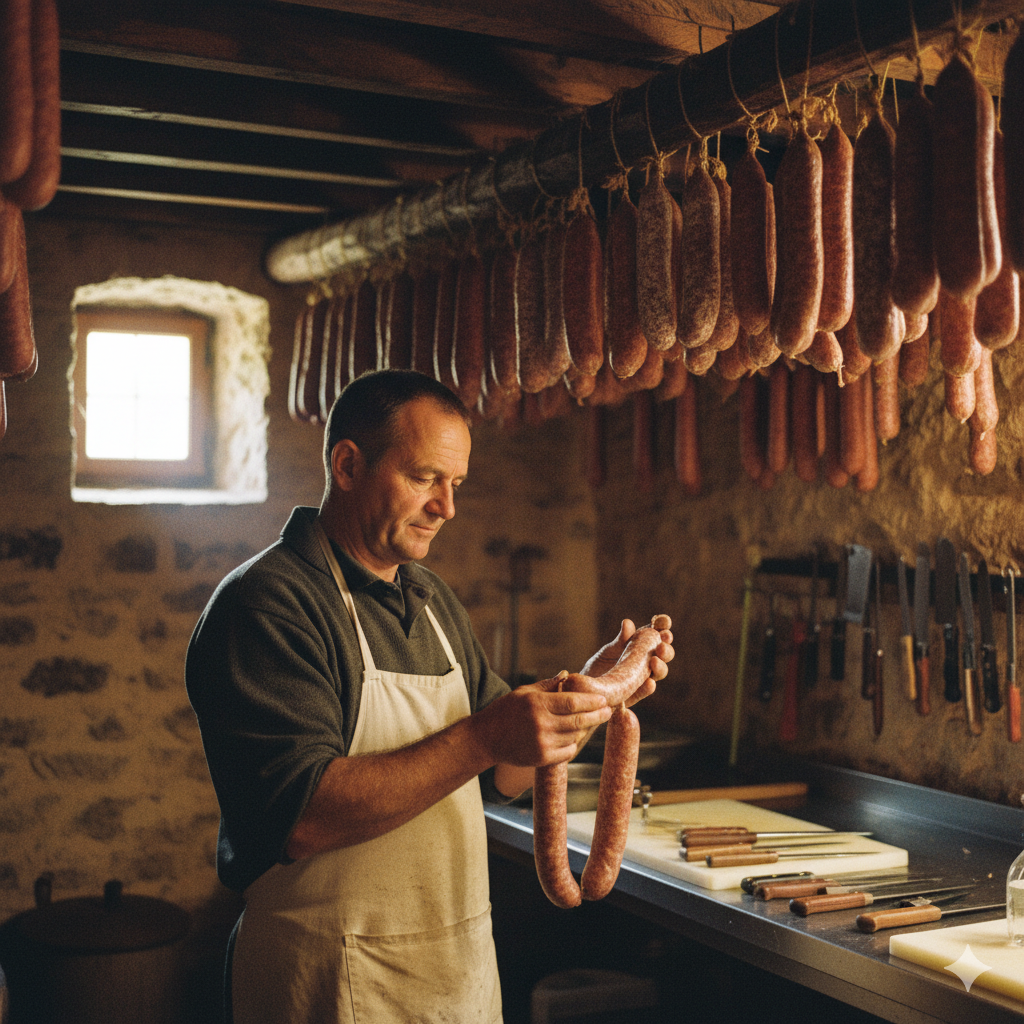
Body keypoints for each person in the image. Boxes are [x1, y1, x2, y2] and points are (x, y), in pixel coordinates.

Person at [185, 369, 674, 1024]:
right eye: (424, 478)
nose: (448, 506)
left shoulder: (432, 599)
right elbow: (300, 819)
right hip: (326, 982)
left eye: (456, 484)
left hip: (454, 975)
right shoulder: (269, 604)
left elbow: (503, 772)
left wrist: (590, 692)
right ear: (349, 464)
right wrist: (482, 736)